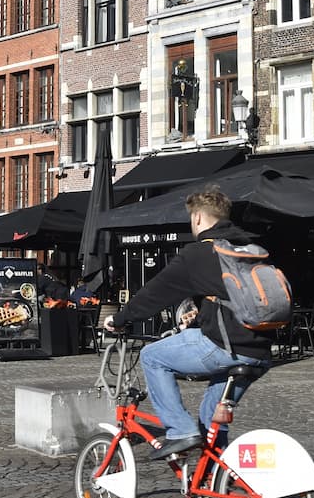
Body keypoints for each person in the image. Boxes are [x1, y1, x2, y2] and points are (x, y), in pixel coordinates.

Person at [104, 185, 272, 460]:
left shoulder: (199, 253)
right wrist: (200, 312)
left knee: (152, 356)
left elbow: (154, 293)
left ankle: (180, 430)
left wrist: (121, 319)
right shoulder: (252, 249)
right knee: (210, 422)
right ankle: (222, 483)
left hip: (224, 346)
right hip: (259, 351)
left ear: (197, 218)